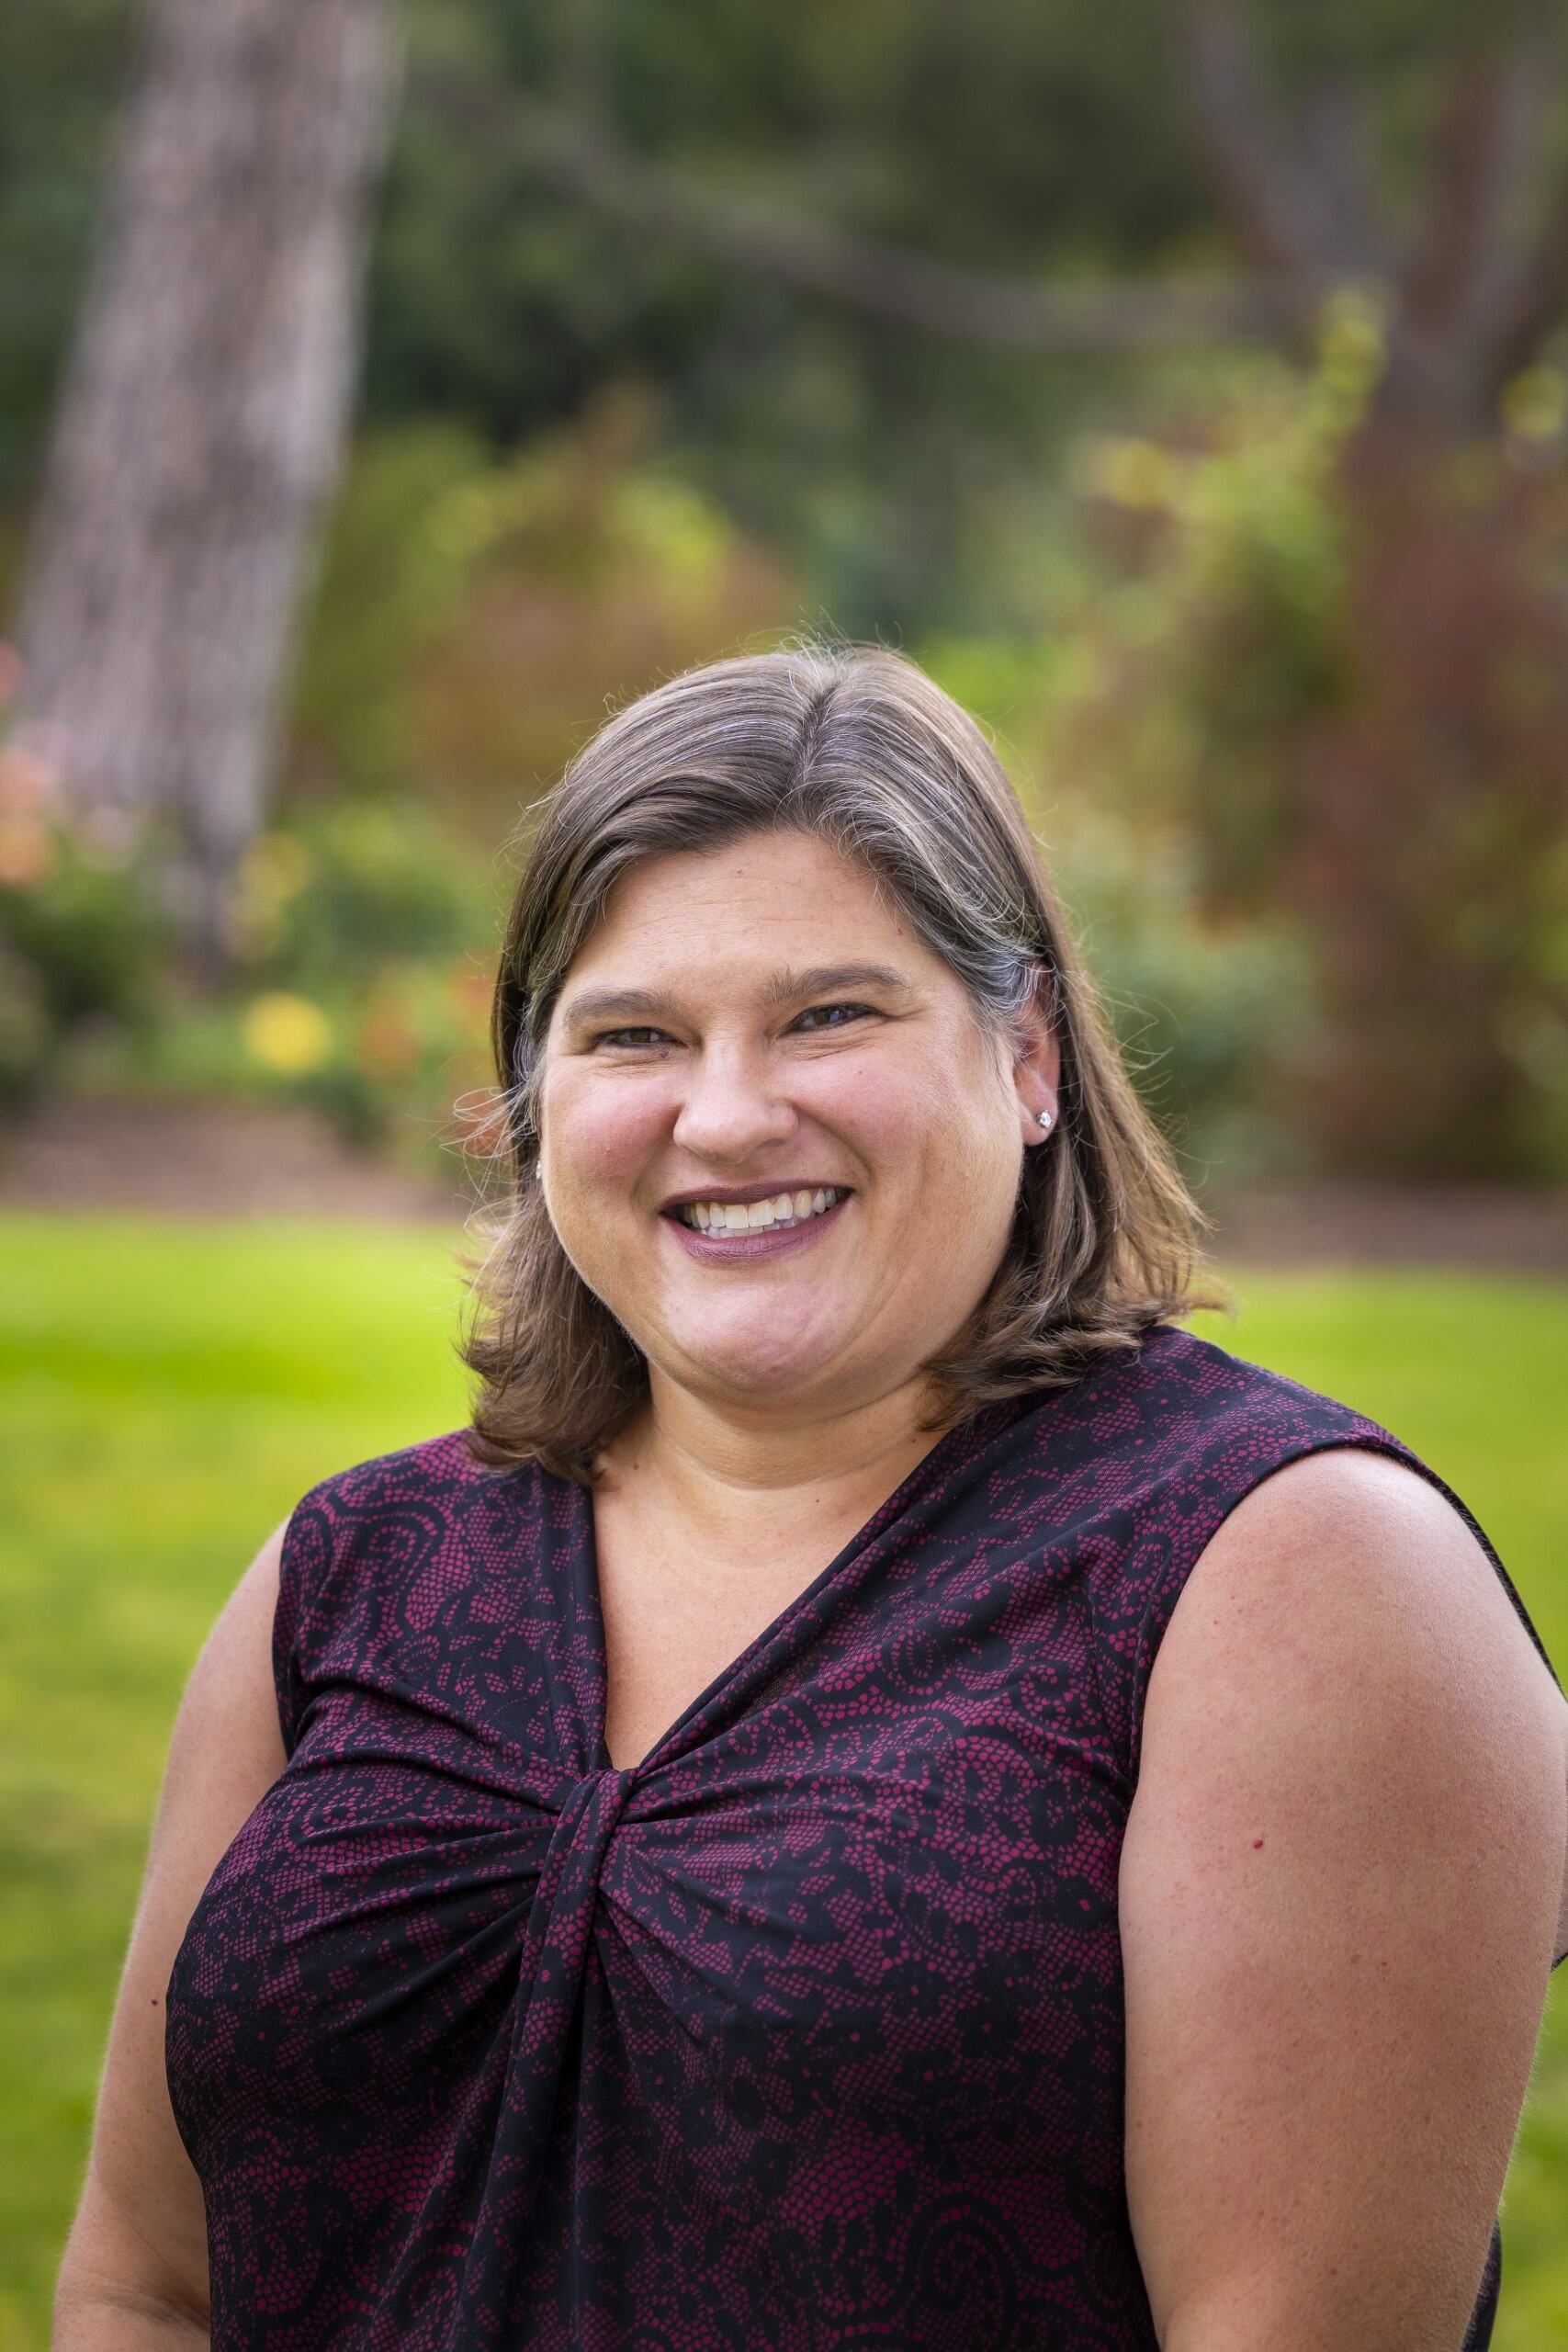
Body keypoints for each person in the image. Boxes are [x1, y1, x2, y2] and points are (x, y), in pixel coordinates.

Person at [57, 642, 1568, 2350]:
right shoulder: (352, 1574)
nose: (725, 1116)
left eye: (829, 1016)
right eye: (635, 1035)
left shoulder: (1298, 1576)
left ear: (1030, 1057)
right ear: (540, 1101)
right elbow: (142, 2288)